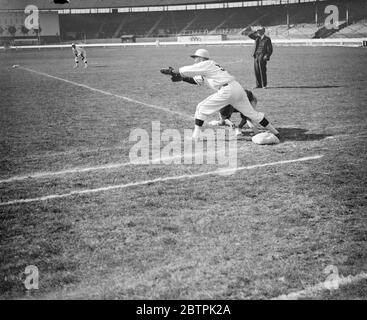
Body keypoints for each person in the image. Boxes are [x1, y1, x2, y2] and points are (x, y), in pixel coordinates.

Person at [170, 48, 279, 140]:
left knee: (201, 107)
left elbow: (188, 69)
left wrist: (173, 71)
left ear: (202, 58)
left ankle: (196, 135)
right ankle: (275, 132)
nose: (194, 60)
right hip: (236, 87)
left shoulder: (206, 64)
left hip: (227, 90)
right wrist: (182, 79)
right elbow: (196, 80)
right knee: (252, 114)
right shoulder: (209, 67)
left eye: (195, 58)